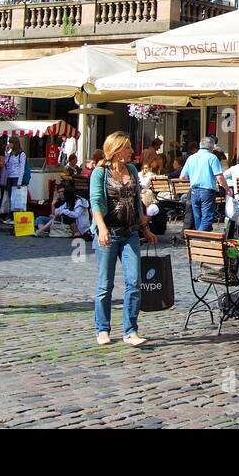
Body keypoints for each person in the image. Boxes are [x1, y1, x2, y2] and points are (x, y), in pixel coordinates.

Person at [90, 132, 157, 347]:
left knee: (134, 282)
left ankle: (131, 330)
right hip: (108, 233)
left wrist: (145, 228)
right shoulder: (100, 173)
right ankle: (102, 328)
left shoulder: (133, 170)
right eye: (128, 148)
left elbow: (137, 202)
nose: (131, 152)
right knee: (105, 284)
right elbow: (96, 202)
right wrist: (101, 229)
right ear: (117, 150)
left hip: (130, 233)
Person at [180, 136, 225, 233]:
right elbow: (219, 177)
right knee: (207, 218)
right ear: (212, 147)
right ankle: (198, 238)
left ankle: (201, 243)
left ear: (200, 146)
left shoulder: (191, 158)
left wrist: (193, 178)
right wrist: (227, 189)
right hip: (207, 191)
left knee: (198, 218)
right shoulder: (212, 157)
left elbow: (182, 177)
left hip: (194, 191)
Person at [0, 137, 28, 223]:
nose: (9, 144)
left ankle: (15, 217)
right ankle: (10, 216)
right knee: (9, 197)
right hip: (9, 177)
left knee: (15, 198)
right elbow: (5, 163)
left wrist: (20, 181)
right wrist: (6, 151)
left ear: (15, 143)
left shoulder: (21, 154)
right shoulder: (9, 153)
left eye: (11, 143)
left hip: (16, 177)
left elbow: (22, 168)